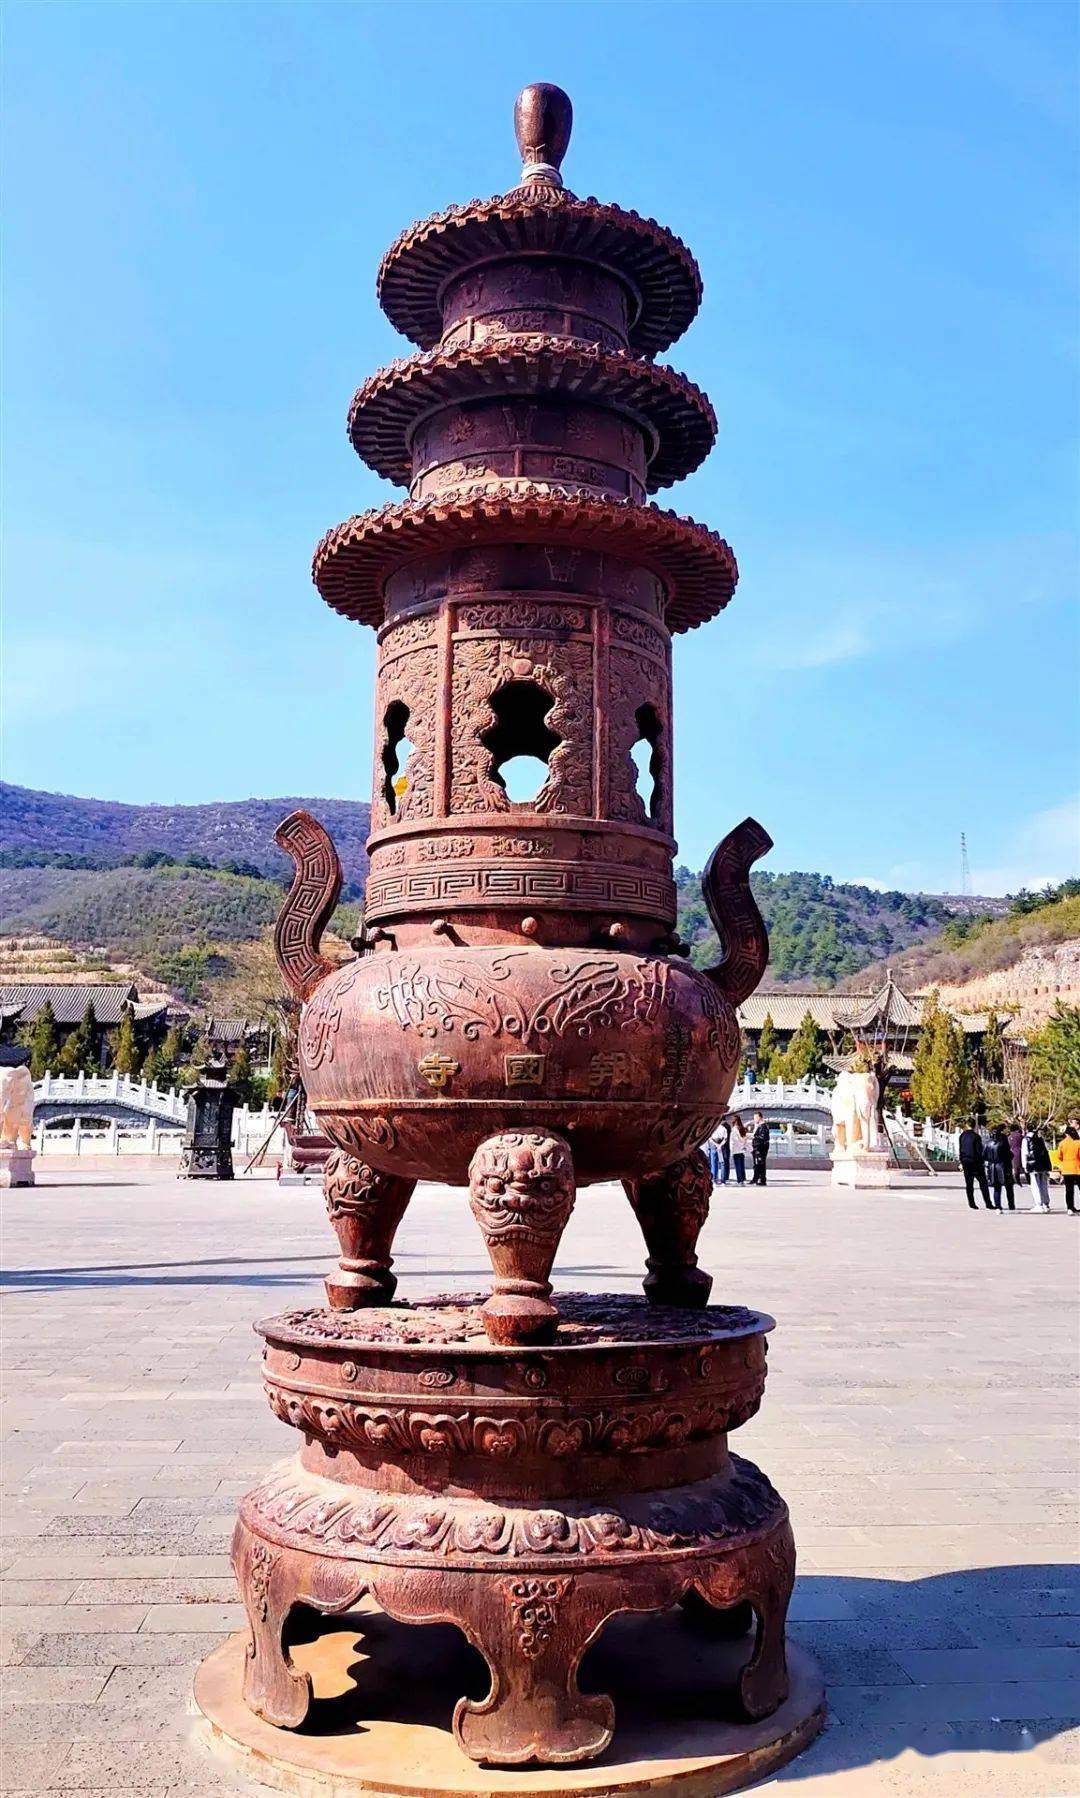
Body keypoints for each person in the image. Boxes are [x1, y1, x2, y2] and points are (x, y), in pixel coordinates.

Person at [958, 1118, 992, 1209]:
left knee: (969, 1185)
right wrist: (982, 1162)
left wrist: (961, 1162)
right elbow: (979, 1151)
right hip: (976, 1163)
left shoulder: (962, 1136)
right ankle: (988, 1203)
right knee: (983, 1184)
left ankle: (971, 1203)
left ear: (966, 1125)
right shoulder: (976, 1137)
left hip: (966, 1162)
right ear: (974, 1125)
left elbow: (960, 1150)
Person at [1022, 1124, 1052, 1213]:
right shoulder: (1039, 1138)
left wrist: (1025, 1166)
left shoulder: (1026, 1139)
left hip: (1032, 1165)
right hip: (1043, 1164)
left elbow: (1025, 1153)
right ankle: (1046, 1204)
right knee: (1044, 1184)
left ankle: (1038, 1204)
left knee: (1035, 1185)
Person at [988, 1125, 1015, 1212]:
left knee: (997, 1188)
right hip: (1004, 1166)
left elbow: (984, 1156)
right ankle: (1011, 1205)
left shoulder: (988, 1144)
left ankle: (998, 1206)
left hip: (992, 1168)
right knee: (1009, 1187)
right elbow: (1010, 1155)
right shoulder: (1003, 1143)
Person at [1057, 1125, 1080, 1215]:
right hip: (1077, 1168)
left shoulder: (1062, 1143)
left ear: (1067, 1134)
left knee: (1069, 1190)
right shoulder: (1078, 1142)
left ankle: (1070, 1208)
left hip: (1066, 1169)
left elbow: (1059, 1156)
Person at [707, 1117, 730, 1186]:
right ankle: (723, 1180)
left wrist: (716, 1144)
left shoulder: (712, 1128)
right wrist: (720, 1145)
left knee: (714, 1163)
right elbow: (725, 1139)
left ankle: (714, 1179)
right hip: (721, 1147)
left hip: (713, 1146)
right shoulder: (723, 1128)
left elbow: (709, 1138)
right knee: (722, 1163)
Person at [751, 1112, 770, 1186]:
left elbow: (762, 1138)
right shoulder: (760, 1126)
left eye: (756, 1117)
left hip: (761, 1149)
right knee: (759, 1164)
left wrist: (755, 1139)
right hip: (759, 1148)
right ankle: (758, 1178)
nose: (754, 1119)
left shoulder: (763, 1127)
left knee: (760, 1164)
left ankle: (762, 1179)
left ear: (760, 1117)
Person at [728, 1113, 749, 1185]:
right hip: (742, 1149)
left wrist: (731, 1149)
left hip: (736, 1149)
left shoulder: (733, 1130)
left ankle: (739, 1180)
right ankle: (743, 1178)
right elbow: (745, 1138)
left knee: (738, 1166)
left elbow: (733, 1140)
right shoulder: (742, 1128)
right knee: (742, 1164)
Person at [1008, 1121, 1025, 1185]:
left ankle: (1018, 1181)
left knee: (1016, 1169)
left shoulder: (1009, 1137)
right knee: (1024, 1167)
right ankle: (1028, 1181)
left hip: (1012, 1153)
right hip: (1020, 1152)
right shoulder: (1020, 1136)